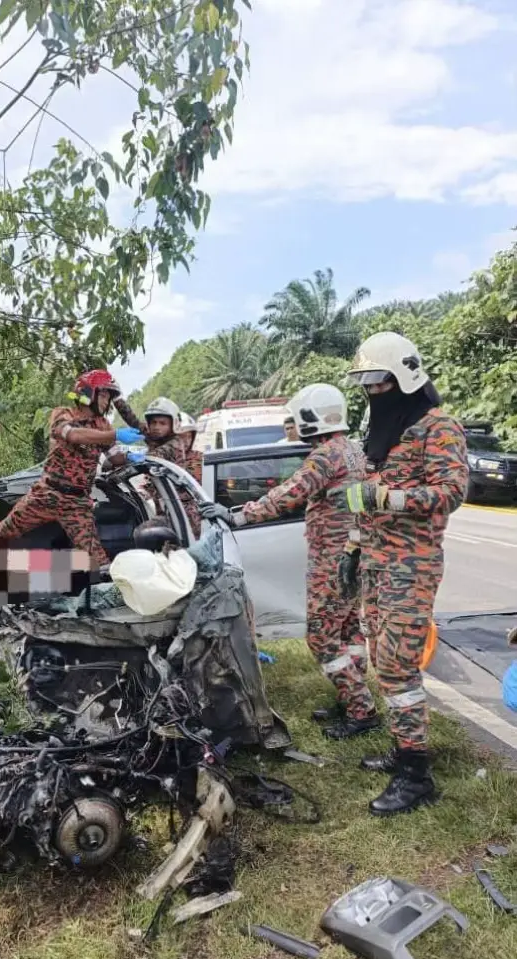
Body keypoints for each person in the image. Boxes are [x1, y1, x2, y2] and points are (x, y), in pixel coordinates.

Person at [327, 330, 469, 817]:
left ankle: (416, 775)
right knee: (383, 660)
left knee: (397, 667)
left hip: (412, 567)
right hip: (376, 564)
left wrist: (391, 498)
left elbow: (451, 492)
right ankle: (404, 747)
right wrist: (352, 547)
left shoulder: (437, 427)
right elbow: (363, 501)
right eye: (366, 384)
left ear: (406, 378)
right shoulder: (383, 431)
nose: (372, 391)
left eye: (379, 382)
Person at [199, 383, 378, 737]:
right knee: (348, 630)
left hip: (333, 559)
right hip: (354, 552)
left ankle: (361, 710)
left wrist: (238, 515)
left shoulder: (325, 456)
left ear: (312, 418)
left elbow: (288, 494)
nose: (294, 426)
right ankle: (354, 699)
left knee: (322, 637)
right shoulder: (353, 450)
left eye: (298, 419)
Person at [0, 370, 145, 568]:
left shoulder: (103, 425)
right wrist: (114, 435)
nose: (106, 402)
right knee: (0, 535)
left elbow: (114, 457)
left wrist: (129, 456)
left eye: (109, 397)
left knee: (98, 563)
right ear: (88, 393)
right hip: (46, 495)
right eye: (103, 395)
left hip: (77, 503)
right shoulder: (63, 414)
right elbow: (73, 435)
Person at [178, 413, 203, 483]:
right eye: (182, 437)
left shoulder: (199, 457)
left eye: (189, 437)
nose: (186, 441)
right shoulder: (164, 460)